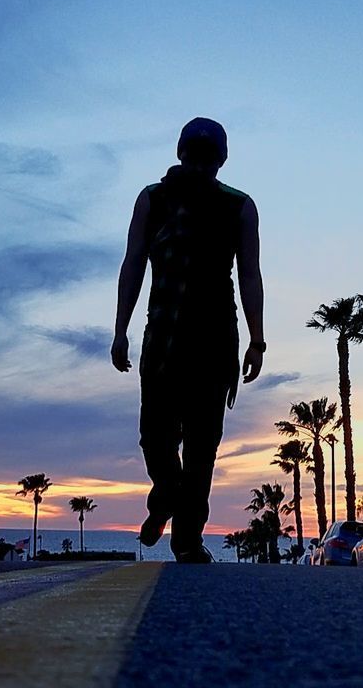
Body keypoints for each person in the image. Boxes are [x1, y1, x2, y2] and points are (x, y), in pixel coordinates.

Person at [111, 117, 265, 563]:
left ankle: (187, 539)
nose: (200, 161)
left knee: (201, 444)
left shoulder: (238, 206)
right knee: (156, 437)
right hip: (163, 338)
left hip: (215, 343)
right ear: (183, 153)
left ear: (218, 160)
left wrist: (257, 339)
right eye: (194, 152)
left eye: (206, 154)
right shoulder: (154, 199)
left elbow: (249, 275)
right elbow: (133, 263)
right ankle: (165, 498)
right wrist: (120, 328)